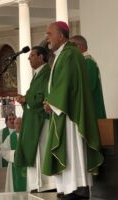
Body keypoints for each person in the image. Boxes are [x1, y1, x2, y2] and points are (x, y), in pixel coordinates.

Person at [42, 21, 103, 199]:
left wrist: (51, 102)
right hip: (62, 111)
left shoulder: (70, 54)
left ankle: (76, 189)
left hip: (70, 115)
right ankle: (68, 189)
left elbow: (67, 83)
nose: (47, 38)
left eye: (49, 34)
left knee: (71, 153)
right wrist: (51, 101)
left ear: (61, 36)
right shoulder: (63, 54)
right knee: (67, 154)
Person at [14, 46, 55, 192]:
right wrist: (24, 100)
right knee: (35, 151)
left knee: (42, 150)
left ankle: (47, 184)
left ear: (41, 57)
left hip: (41, 120)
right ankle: (37, 184)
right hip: (33, 119)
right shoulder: (37, 74)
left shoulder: (46, 73)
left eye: (32, 55)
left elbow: (43, 96)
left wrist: (27, 98)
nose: (28, 58)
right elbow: (33, 97)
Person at [69, 35, 107, 119]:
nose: (69, 50)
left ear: (80, 46)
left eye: (71, 47)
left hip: (92, 110)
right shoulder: (82, 62)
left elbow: (88, 87)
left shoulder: (88, 62)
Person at [1, 117, 26, 192]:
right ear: (14, 125)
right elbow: (4, 151)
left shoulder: (28, 135)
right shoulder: (10, 137)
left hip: (26, 163)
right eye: (17, 123)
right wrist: (14, 153)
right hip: (13, 165)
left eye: (20, 123)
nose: (19, 125)